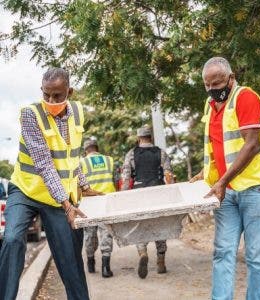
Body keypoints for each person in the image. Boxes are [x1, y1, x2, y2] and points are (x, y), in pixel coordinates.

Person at [0, 68, 101, 300]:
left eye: (57, 95)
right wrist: (67, 204)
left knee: (70, 257)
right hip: (25, 191)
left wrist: (84, 186)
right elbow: (44, 163)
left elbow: (71, 156)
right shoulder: (30, 114)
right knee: (13, 239)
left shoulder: (77, 112)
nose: (50, 101)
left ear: (69, 92)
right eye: (46, 95)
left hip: (56, 198)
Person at [191, 57, 260, 300]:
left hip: (255, 190)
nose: (213, 89)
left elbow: (252, 144)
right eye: (208, 85)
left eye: (218, 83)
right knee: (223, 252)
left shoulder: (244, 97)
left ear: (231, 78)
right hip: (226, 192)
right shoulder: (210, 105)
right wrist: (206, 174)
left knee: (256, 257)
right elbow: (219, 146)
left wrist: (222, 182)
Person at [121, 126, 174, 279]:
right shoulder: (161, 152)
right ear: (151, 138)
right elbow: (168, 175)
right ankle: (161, 262)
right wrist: (170, 191)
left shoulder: (131, 154)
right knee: (160, 225)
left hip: (139, 193)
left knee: (141, 225)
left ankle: (143, 252)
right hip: (158, 192)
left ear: (138, 139)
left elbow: (126, 178)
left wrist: (124, 196)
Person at [80, 138, 116, 278]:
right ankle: (106, 268)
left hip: (89, 202)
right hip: (106, 200)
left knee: (89, 234)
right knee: (106, 232)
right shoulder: (109, 160)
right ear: (97, 148)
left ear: (86, 150)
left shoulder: (81, 162)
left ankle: (90, 263)